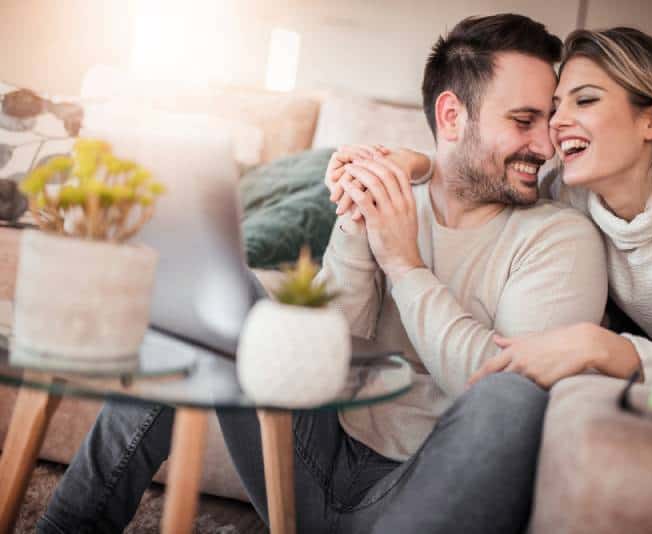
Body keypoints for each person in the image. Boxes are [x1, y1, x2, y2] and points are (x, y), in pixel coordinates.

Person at [38, 15, 607, 534]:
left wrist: (404, 265)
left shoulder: (561, 239)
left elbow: (496, 392)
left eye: (547, 122)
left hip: (418, 494)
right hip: (311, 459)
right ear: (452, 117)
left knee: (514, 398)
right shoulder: (392, 192)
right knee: (212, 298)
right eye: (524, 121)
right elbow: (326, 344)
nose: (545, 144)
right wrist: (361, 224)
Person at [393, 27, 652, 391]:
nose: (555, 125)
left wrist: (596, 345)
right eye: (556, 108)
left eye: (584, 100)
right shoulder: (573, 193)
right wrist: (419, 166)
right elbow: (487, 170)